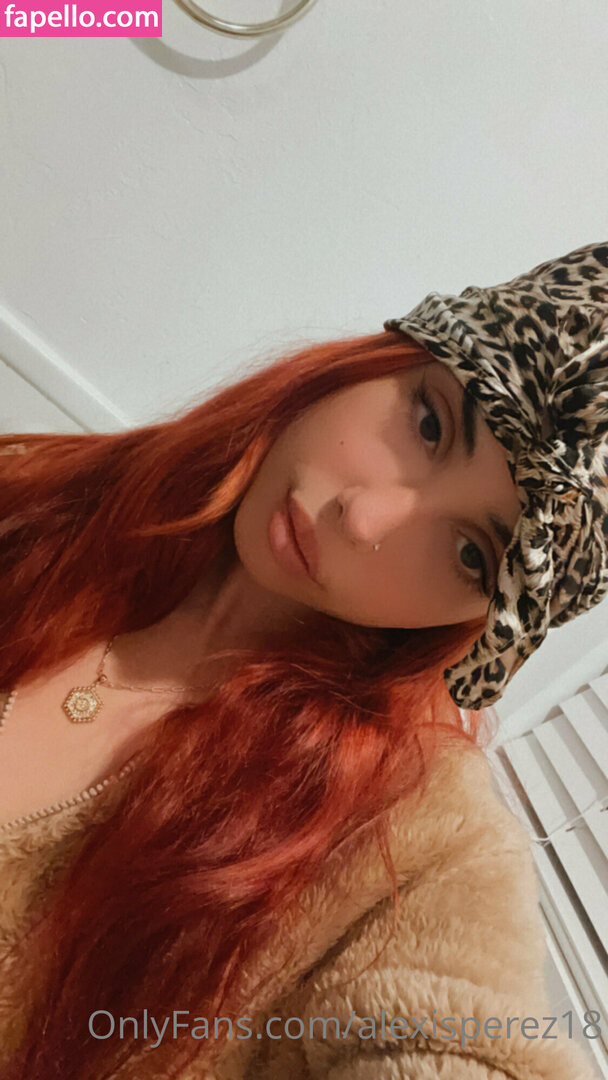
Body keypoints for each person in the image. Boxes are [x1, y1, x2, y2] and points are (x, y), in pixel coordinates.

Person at [0, 240, 606, 1080]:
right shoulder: (30, 494)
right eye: (430, 425)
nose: (364, 519)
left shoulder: (411, 836)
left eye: (472, 553)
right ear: (387, 359)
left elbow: (460, 1040)